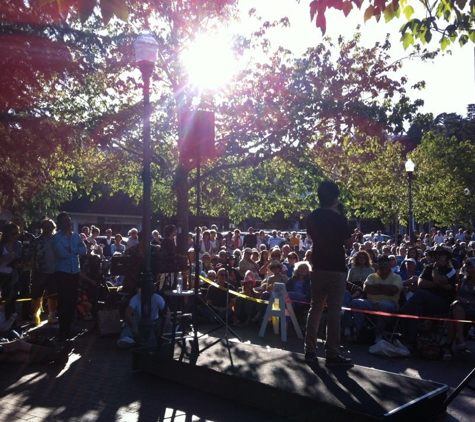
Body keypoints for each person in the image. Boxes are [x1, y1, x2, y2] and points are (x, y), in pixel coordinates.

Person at [304, 180, 353, 366]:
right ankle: (332, 354)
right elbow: (348, 244)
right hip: (336, 269)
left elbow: (312, 237)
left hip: (318, 266)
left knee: (315, 308)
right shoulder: (340, 219)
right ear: (334, 198)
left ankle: (309, 351)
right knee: (334, 312)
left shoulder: (313, 216)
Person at [399, 246, 457, 347]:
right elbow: (421, 283)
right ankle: (411, 341)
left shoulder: (450, 270)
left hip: (442, 303)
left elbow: (441, 282)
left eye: (440, 255)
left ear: (446, 257)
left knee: (421, 294)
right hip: (425, 302)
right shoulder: (428, 267)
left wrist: (435, 272)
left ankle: (401, 313)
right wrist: (439, 284)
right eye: (435, 255)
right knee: (417, 307)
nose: (437, 257)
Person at [348, 255, 403, 342]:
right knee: (355, 302)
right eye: (381, 264)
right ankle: (360, 331)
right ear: (378, 265)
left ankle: (379, 333)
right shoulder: (372, 276)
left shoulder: (396, 277)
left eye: (385, 264)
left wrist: (377, 286)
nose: (383, 266)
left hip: (389, 303)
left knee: (382, 305)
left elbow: (394, 289)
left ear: (389, 265)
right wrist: (385, 290)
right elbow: (366, 289)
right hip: (371, 302)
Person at [52, 212, 87, 341]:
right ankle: (63, 331)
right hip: (62, 273)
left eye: (69, 220)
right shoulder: (56, 238)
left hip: (74, 273)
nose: (68, 223)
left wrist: (70, 250)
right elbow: (61, 254)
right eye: (65, 221)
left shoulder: (77, 236)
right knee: (63, 303)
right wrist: (76, 250)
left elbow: (84, 251)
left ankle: (70, 329)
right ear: (60, 224)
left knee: (73, 302)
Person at [441, 257, 475, 360]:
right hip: (461, 306)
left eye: (469, 264)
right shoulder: (462, 281)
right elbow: (457, 296)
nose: (467, 265)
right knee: (456, 306)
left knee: (454, 317)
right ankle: (461, 340)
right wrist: (461, 299)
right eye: (466, 264)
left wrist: (468, 301)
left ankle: (449, 345)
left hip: (473, 307)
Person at [30, 218, 58, 326]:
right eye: (45, 226)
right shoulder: (37, 241)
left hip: (54, 272)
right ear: (42, 228)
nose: (47, 228)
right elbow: (32, 256)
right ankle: (34, 316)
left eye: (49, 226)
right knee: (36, 295)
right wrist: (33, 271)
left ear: (53, 227)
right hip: (40, 271)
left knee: (53, 295)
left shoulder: (57, 240)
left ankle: (52, 315)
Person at [10, 215, 36, 321]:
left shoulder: (29, 237)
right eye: (16, 222)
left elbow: (35, 252)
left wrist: (31, 265)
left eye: (20, 222)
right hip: (12, 270)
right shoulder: (9, 236)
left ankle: (26, 314)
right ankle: (11, 315)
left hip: (25, 270)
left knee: (26, 292)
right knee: (12, 292)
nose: (19, 224)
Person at [0, 223, 22, 317]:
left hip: (12, 275)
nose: (14, 236)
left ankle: (11, 321)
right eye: (12, 233)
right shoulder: (1, 245)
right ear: (6, 233)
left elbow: (20, 258)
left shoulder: (18, 244)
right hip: (1, 275)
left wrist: (18, 263)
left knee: (12, 300)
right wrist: (5, 257)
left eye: (16, 233)